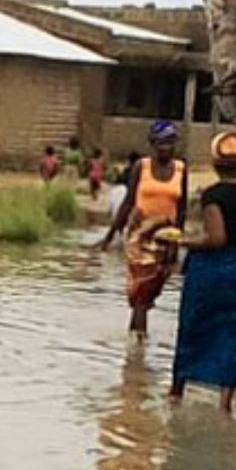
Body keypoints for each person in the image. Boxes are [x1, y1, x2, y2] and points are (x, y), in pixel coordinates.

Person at [169, 130, 236, 413]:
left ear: (216, 163)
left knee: (193, 327)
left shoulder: (213, 195)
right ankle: (225, 404)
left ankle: (176, 394)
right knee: (232, 331)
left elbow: (216, 238)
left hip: (208, 272)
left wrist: (183, 241)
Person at [96, 121, 188, 339]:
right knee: (140, 292)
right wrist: (109, 237)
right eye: (161, 142)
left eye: (170, 142)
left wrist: (177, 242)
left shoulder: (181, 169)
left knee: (149, 294)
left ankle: (136, 339)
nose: (165, 147)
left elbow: (182, 209)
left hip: (166, 239)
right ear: (152, 143)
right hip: (139, 237)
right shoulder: (141, 167)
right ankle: (137, 345)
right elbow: (128, 202)